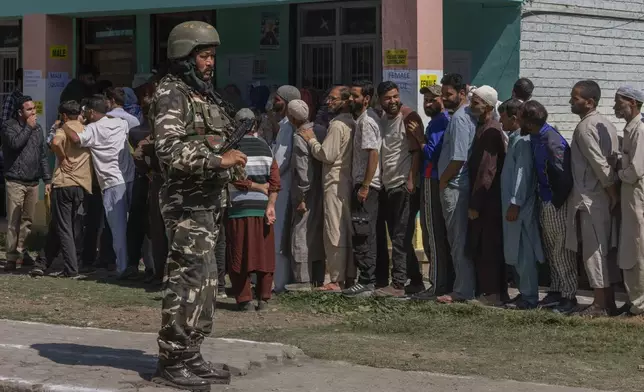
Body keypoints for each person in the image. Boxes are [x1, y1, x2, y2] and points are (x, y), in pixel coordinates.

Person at [150, 20, 247, 388]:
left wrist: (229, 165)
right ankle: (172, 358)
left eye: (211, 56)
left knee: (206, 282)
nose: (210, 63)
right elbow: (169, 149)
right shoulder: (172, 93)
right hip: (186, 204)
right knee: (186, 278)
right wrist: (216, 161)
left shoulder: (201, 95)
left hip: (208, 202)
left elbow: (211, 142)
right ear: (185, 56)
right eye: (204, 55)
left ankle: (191, 351)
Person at [63, 95, 134, 276]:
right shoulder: (120, 123)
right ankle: (143, 266)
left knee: (118, 230)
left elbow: (76, 139)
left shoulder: (93, 129)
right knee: (135, 225)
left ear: (92, 112)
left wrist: (63, 124)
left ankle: (122, 267)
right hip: (130, 178)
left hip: (111, 182)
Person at [566, 80, 620, 317]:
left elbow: (601, 164)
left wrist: (611, 193)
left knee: (594, 252)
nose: (571, 101)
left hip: (592, 199)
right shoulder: (604, 123)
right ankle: (607, 302)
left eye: (575, 98)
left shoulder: (586, 127)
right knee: (601, 250)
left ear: (589, 102)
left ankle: (599, 304)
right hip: (598, 198)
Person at [520, 101, 577, 314]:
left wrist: (555, 201)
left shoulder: (551, 140)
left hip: (555, 202)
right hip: (545, 200)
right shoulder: (536, 138)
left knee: (561, 250)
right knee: (552, 250)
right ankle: (555, 290)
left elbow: (563, 176)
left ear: (530, 122)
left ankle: (569, 295)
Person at [299, 85, 356, 292]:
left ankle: (335, 278)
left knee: (334, 230)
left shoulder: (338, 125)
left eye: (333, 99)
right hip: (346, 181)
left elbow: (327, 155)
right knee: (343, 229)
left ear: (345, 101)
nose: (328, 102)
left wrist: (311, 140)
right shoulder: (351, 122)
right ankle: (347, 275)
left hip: (335, 181)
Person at [31, 101, 92, 278]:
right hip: (81, 185)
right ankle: (43, 263)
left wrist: (62, 158)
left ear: (64, 116)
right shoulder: (86, 129)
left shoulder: (63, 128)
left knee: (64, 228)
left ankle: (71, 269)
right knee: (61, 226)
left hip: (64, 183)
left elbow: (56, 142)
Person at [373, 81, 423, 298]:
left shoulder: (409, 117)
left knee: (402, 236)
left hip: (403, 185)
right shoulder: (382, 119)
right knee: (396, 236)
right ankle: (417, 280)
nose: (392, 101)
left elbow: (417, 152)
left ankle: (399, 284)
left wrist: (411, 180)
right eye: (387, 98)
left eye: (395, 96)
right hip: (388, 184)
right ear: (380, 100)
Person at [227, 108, 279, 311]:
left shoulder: (233, 149)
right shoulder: (266, 147)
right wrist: (271, 204)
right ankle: (264, 298)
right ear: (255, 126)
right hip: (263, 209)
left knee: (239, 254)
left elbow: (235, 179)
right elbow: (275, 181)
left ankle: (244, 299)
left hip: (239, 209)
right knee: (264, 254)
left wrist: (252, 186)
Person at [435, 73, 477, 304]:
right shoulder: (462, 115)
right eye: (443, 95)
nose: (444, 99)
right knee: (457, 239)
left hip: (455, 185)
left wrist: (443, 181)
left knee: (458, 239)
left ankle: (462, 289)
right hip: (456, 184)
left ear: (462, 93)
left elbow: (458, 157)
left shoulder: (461, 118)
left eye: (448, 94)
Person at [499, 99, 544, 310]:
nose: (500, 121)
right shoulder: (515, 139)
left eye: (504, 117)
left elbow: (522, 175)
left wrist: (515, 203)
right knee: (516, 253)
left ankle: (529, 297)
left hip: (520, 209)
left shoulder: (523, 142)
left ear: (514, 119)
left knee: (524, 253)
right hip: (512, 207)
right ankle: (524, 293)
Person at [409, 84, 453, 300]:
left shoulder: (441, 122)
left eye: (432, 99)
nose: (428, 103)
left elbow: (432, 152)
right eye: (426, 99)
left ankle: (437, 284)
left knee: (433, 233)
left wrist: (419, 137)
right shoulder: (438, 121)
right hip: (431, 178)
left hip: (433, 178)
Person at [466, 86, 507, 306]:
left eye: (476, 103)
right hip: (486, 199)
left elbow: (486, 171)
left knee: (487, 246)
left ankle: (492, 293)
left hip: (488, 200)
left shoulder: (491, 130)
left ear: (489, 107)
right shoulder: (483, 127)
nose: (472, 106)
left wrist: (476, 203)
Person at [1, 95, 52, 271]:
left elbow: (43, 156)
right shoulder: (9, 126)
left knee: (27, 221)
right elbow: (15, 144)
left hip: (32, 181)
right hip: (15, 180)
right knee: (13, 220)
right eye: (29, 109)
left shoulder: (37, 129)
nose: (33, 112)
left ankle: (22, 253)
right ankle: (11, 257)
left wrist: (47, 179)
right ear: (20, 112)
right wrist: (28, 128)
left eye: (34, 109)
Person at [343, 80, 381, 297]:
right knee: (364, 231)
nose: (351, 100)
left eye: (355, 96)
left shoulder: (367, 122)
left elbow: (373, 154)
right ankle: (368, 279)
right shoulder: (363, 120)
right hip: (363, 182)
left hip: (366, 185)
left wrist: (365, 185)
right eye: (350, 96)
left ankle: (366, 280)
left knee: (362, 232)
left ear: (366, 99)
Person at [286, 100, 325, 290]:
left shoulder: (300, 137)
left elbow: (303, 171)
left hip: (306, 193)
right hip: (321, 189)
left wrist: (301, 197)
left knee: (300, 234)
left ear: (291, 118)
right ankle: (318, 277)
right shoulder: (319, 130)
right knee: (316, 233)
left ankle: (302, 280)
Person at [614, 86, 644, 316]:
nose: (616, 107)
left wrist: (618, 173)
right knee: (629, 248)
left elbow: (635, 170)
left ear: (632, 103)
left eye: (619, 102)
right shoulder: (630, 128)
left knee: (637, 248)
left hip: (636, 196)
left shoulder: (640, 129)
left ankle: (639, 305)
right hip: (629, 196)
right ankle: (634, 299)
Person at [271, 85, 301, 292]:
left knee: (278, 234)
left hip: (281, 186)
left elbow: (279, 161)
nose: (274, 102)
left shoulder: (287, 128)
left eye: (278, 99)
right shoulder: (284, 126)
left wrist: (268, 181)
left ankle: (279, 283)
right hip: (282, 185)